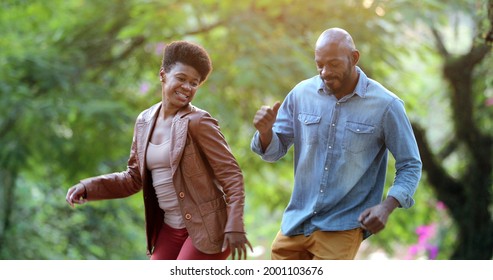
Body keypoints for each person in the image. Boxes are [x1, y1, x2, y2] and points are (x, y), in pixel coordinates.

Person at [66, 40, 252, 260]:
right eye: (181, 79)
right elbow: (133, 179)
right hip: (169, 228)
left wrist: (235, 224)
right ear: (163, 75)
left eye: (194, 83)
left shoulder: (198, 122)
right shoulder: (144, 121)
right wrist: (89, 187)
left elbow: (231, 175)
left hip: (208, 228)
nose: (187, 87)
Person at [251, 27, 422, 260]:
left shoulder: (386, 105)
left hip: (342, 226)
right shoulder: (301, 94)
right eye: (319, 64)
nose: (324, 72)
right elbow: (273, 151)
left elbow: (410, 164)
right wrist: (265, 132)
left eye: (333, 64)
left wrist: (386, 207)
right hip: (296, 223)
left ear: (354, 58)